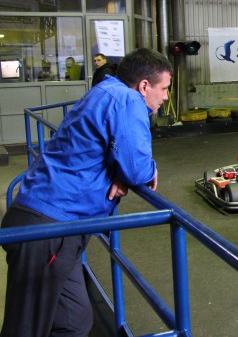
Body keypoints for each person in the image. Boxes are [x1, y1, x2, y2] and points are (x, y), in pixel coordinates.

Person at [1, 48, 172, 337]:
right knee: (26, 330)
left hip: (55, 224)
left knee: (73, 321)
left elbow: (116, 157)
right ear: (144, 86)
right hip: (48, 228)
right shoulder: (128, 100)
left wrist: (120, 170)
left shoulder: (105, 90)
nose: (166, 97)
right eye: (164, 88)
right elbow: (138, 170)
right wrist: (143, 169)